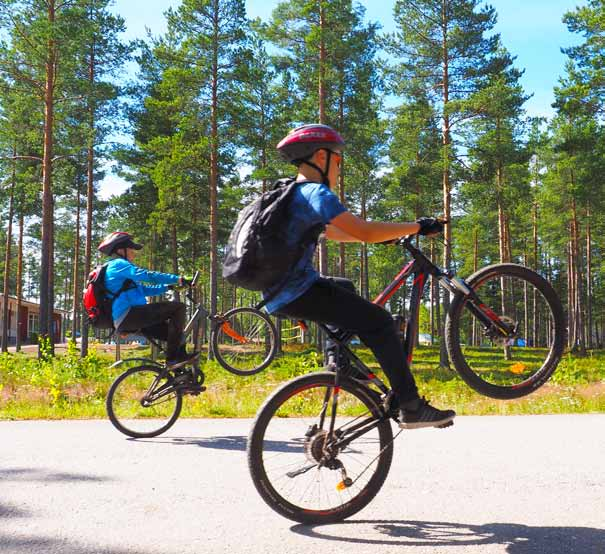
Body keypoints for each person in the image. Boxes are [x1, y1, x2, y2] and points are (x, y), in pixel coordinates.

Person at [265, 123, 455, 429]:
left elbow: (339, 233)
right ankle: (410, 405)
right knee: (379, 322)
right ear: (321, 158)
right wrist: (418, 226)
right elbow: (364, 230)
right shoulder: (315, 193)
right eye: (338, 160)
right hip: (298, 290)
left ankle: (337, 361)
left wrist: (385, 236)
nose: (339, 168)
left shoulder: (289, 194)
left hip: (278, 292)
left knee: (344, 288)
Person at [97, 231, 197, 369]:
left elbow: (144, 290)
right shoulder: (118, 264)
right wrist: (178, 278)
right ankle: (172, 360)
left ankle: (181, 380)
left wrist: (169, 287)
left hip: (131, 318)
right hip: (130, 315)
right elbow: (147, 275)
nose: (134, 252)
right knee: (178, 308)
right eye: (131, 248)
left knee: (176, 336)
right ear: (121, 250)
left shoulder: (120, 270)